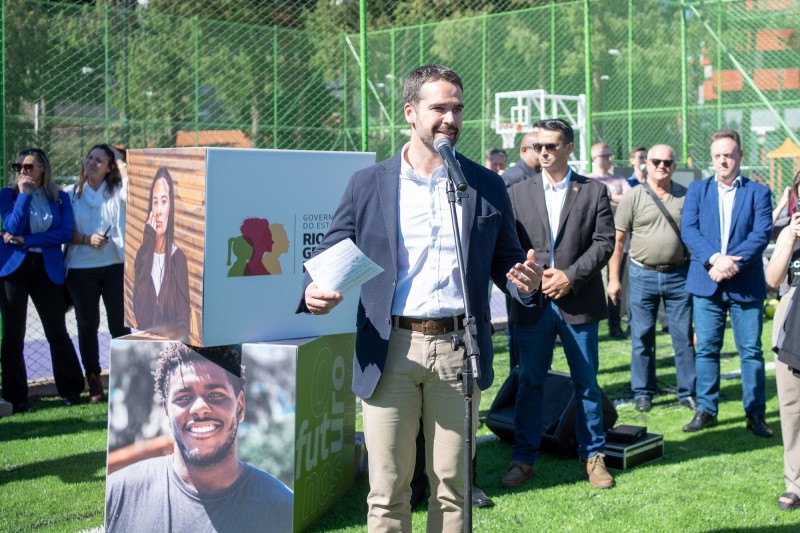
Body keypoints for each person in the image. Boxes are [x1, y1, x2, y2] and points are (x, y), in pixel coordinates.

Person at [299, 64, 542, 531]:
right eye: (439, 108)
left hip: (458, 351)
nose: (450, 118)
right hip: (389, 349)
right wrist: (312, 291)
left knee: (453, 491)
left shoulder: (485, 185)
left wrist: (523, 282)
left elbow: (507, 264)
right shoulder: (368, 184)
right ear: (410, 113)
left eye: (457, 108)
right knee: (387, 489)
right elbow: (330, 253)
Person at [503, 119, 616, 490]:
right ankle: (523, 458)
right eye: (538, 146)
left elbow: (604, 243)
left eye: (551, 145)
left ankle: (594, 456)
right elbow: (510, 247)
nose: (544, 152)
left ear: (569, 147)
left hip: (578, 300)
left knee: (586, 382)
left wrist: (569, 276)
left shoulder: (593, 191)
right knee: (530, 381)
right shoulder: (518, 193)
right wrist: (529, 277)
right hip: (532, 304)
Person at [105, 343, 292, 532]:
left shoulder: (282, 506)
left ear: (240, 407)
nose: (200, 408)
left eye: (216, 395)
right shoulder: (118, 493)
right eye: (184, 397)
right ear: (167, 410)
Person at [681, 129, 773, 437]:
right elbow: (690, 231)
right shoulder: (697, 190)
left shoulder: (758, 192)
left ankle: (755, 414)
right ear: (712, 157)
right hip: (707, 281)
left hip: (745, 284)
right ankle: (706, 409)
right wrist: (715, 259)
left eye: (729, 155)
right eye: (718, 155)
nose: (723, 160)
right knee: (706, 348)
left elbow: (760, 235)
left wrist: (732, 265)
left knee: (751, 351)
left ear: (740, 156)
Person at [607, 145, 696, 412]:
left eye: (667, 162)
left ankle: (687, 392)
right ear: (646, 163)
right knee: (642, 336)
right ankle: (643, 392)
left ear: (674, 165)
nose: (662, 166)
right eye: (656, 161)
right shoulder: (633, 196)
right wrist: (614, 279)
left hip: (678, 274)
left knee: (682, 336)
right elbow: (618, 242)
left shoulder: (686, 195)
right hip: (641, 274)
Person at [0, 147, 84, 414]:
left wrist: (28, 240)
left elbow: (63, 233)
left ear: (43, 169)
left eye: (29, 167)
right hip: (14, 269)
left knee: (56, 330)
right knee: (14, 334)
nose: (23, 172)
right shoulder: (7, 195)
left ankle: (71, 390)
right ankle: (16, 397)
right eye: (19, 167)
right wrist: (23, 196)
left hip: (47, 268)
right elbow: (11, 227)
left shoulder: (60, 198)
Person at [65, 144, 131, 404]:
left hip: (115, 266)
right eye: (90, 158)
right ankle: (93, 382)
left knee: (119, 326)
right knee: (87, 326)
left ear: (110, 167)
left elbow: (130, 187)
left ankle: (125, 380)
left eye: (100, 160)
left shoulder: (118, 191)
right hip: (81, 269)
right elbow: (62, 232)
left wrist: (121, 161)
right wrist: (85, 239)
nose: (91, 163)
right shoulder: (71, 195)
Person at [766, 203, 800, 511]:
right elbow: (772, 279)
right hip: (793, 319)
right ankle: (795, 482)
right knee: (791, 405)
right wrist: (789, 237)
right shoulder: (791, 232)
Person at [132, 167, 190, 341]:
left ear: (171, 207)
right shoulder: (143, 255)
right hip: (146, 347)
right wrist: (148, 243)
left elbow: (183, 324)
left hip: (172, 352)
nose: (158, 211)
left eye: (164, 201)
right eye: (155, 202)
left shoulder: (178, 258)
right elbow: (140, 315)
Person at [589, 142, 631, 339]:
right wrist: (613, 197)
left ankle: (615, 326)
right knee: (595, 285)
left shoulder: (619, 179)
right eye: (605, 156)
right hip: (594, 243)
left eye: (610, 155)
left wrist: (609, 195)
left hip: (619, 243)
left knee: (616, 284)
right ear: (594, 158)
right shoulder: (588, 180)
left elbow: (630, 200)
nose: (610, 159)